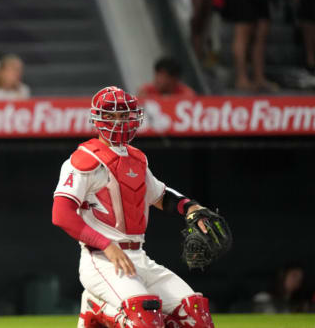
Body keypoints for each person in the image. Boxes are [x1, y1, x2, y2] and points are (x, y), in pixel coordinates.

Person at [51, 86, 218, 328]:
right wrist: (106, 245)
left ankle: (102, 307)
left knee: (196, 313)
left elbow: (160, 195)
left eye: (124, 115)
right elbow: (61, 215)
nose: (119, 122)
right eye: (111, 115)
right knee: (144, 318)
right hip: (102, 259)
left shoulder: (137, 158)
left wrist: (190, 207)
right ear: (98, 118)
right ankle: (99, 308)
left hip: (139, 256)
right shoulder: (85, 159)